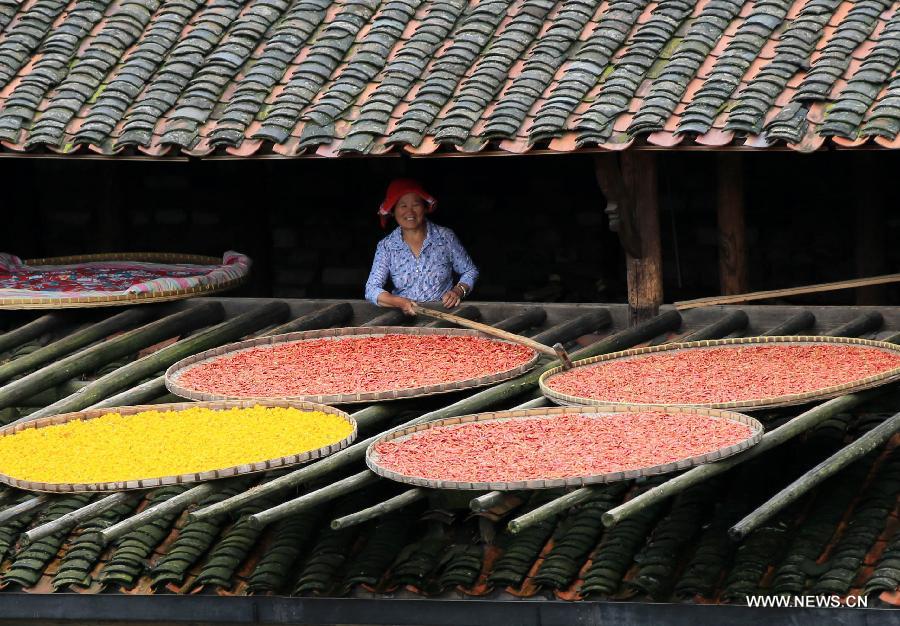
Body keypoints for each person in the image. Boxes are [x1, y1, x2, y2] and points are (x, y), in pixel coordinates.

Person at [365, 178, 479, 315]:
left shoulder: (445, 237)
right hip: (403, 320)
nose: (410, 212)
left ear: (425, 207)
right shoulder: (387, 246)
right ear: (393, 211)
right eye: (403, 206)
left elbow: (470, 271)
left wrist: (458, 291)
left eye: (416, 205)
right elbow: (372, 289)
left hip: (444, 316)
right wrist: (399, 302)